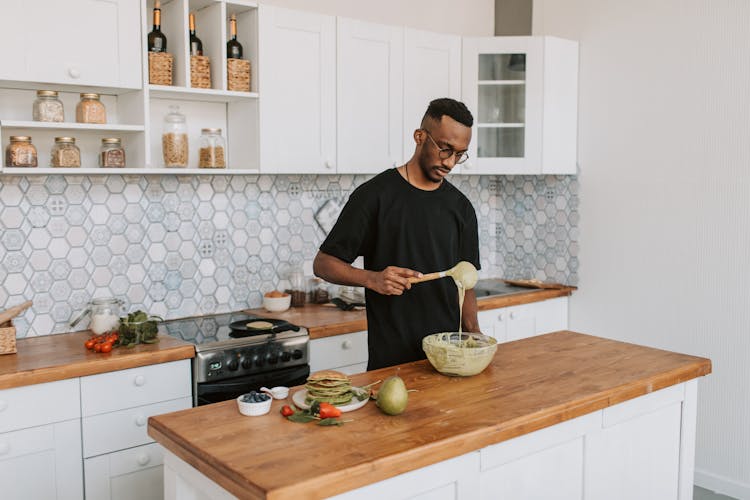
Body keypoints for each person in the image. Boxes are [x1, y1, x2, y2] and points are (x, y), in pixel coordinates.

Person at [313, 98, 481, 370]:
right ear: (419, 137)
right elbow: (323, 264)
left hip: (448, 361)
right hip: (391, 364)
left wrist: (475, 337)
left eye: (459, 154)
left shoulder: (461, 208)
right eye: (445, 149)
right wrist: (373, 279)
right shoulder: (374, 196)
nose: (450, 162)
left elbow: (467, 282)